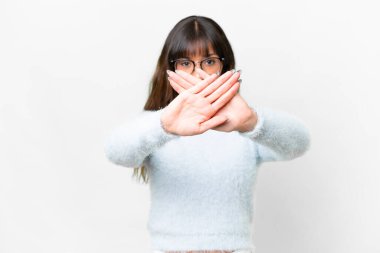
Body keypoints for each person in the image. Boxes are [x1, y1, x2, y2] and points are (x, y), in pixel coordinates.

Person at [103, 15, 311, 253]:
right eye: (185, 63)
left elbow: (300, 142)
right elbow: (116, 152)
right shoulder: (160, 124)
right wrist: (163, 125)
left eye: (209, 62)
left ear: (224, 65)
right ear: (170, 67)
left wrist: (252, 122)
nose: (197, 74)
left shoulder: (241, 121)